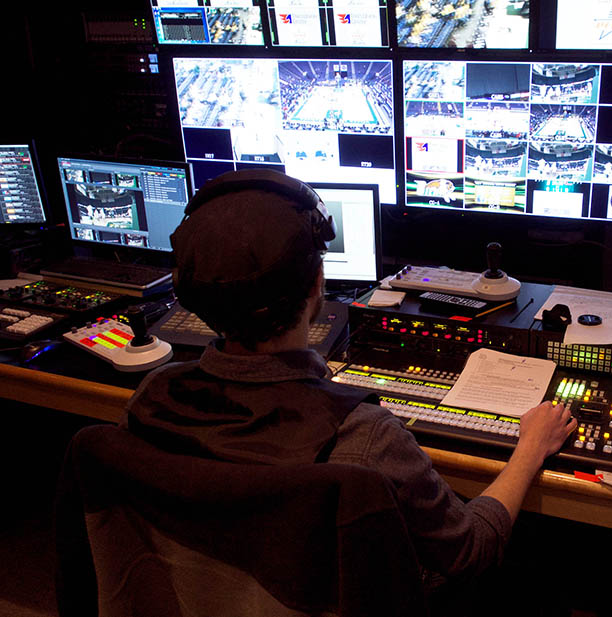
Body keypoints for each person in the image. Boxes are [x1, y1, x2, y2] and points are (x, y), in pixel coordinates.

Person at [120, 168, 576, 606]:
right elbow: (469, 549)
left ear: (188, 294)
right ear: (318, 285)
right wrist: (531, 447)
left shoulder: (151, 396)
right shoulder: (365, 436)